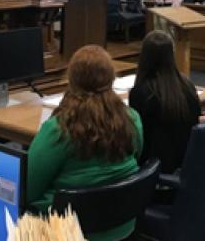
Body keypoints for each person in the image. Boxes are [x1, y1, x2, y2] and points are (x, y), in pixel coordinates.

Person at [27, 45, 143, 239]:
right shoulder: (132, 118)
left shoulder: (58, 129)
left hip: (66, 230)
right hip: (122, 225)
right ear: (110, 78)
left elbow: (28, 189)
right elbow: (138, 155)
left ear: (72, 80)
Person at [129, 31, 201, 173]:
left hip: (153, 168)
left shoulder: (141, 92)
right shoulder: (187, 85)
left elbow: (138, 137)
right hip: (186, 162)